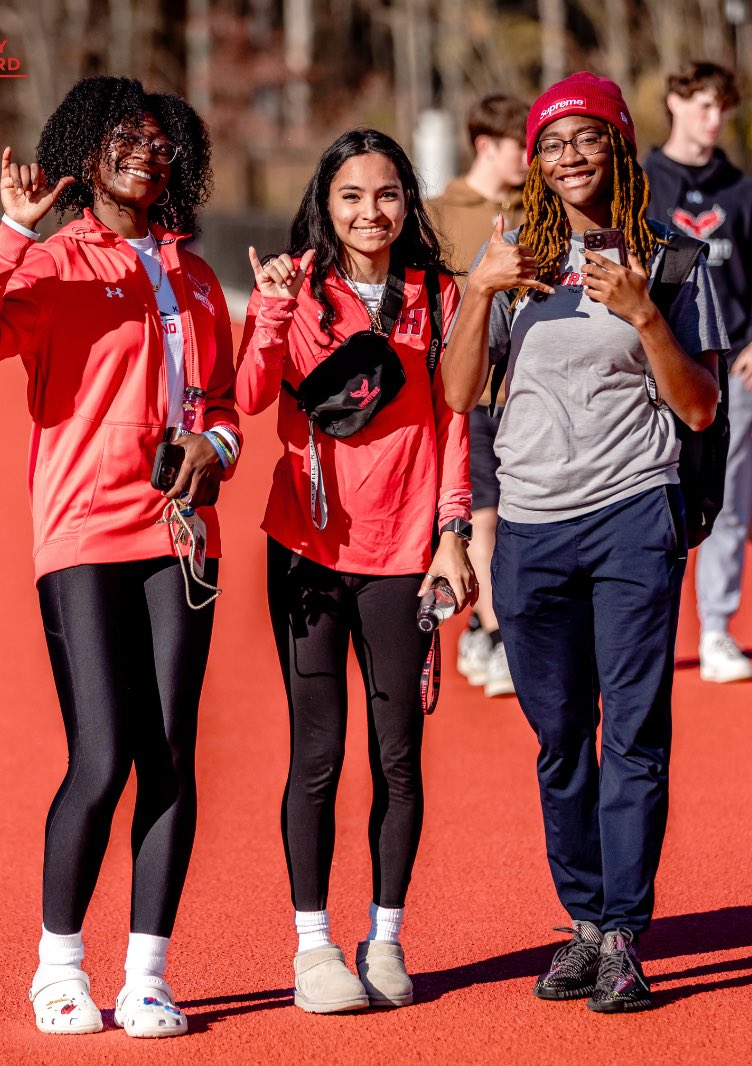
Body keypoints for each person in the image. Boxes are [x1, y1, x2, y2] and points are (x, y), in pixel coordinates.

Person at [0, 76, 241, 1037]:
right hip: (82, 532)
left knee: (173, 758)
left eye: (160, 141)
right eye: (123, 137)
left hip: (182, 536)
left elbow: (224, 404)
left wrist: (215, 450)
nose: (145, 153)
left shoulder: (195, 276)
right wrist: (12, 236)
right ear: (85, 149)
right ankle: (58, 963)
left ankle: (148, 972)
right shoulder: (54, 262)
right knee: (102, 756)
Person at [443, 73, 728, 1012]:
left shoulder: (677, 260)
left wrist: (645, 312)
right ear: (535, 159)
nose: (569, 154)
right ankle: (582, 921)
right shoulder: (511, 257)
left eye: (587, 137)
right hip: (529, 526)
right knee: (560, 735)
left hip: (632, 517)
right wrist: (481, 289)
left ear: (620, 147)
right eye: (553, 141)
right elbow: (456, 393)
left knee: (634, 734)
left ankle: (623, 936)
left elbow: (698, 406)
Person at [236, 129, 473, 1014]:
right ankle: (313, 948)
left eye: (385, 195)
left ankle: (386, 937)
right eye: (350, 196)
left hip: (405, 558)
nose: (369, 212)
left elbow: (456, 422)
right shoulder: (296, 288)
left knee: (400, 757)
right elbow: (252, 395)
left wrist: (452, 532)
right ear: (324, 205)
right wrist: (266, 312)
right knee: (318, 754)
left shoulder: (439, 295)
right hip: (307, 554)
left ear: (408, 202)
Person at [644, 62, 752, 683]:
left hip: (727, 373)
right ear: (674, 102)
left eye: (721, 107)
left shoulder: (743, 191)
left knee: (721, 504)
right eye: (702, 104)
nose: (714, 118)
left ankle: (718, 632)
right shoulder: (642, 183)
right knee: (645, 498)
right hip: (650, 373)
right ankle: (644, 633)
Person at [428, 93, 529, 697]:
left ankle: (485, 631)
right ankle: (495, 634)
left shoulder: (535, 212)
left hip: (529, 397)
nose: (531, 159)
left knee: (518, 518)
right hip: (469, 397)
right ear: (486, 145)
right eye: (521, 147)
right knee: (484, 518)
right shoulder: (439, 215)